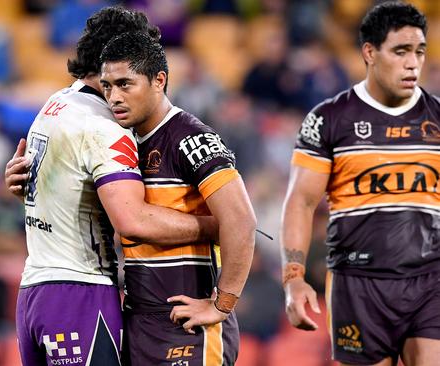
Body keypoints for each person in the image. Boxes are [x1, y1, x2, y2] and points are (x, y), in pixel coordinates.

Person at [4, 7, 220, 366]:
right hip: (79, 294)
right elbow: (132, 220)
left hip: (35, 294)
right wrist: (214, 225)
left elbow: (47, 186)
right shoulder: (103, 127)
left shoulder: (55, 103)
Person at [280, 2, 440, 365]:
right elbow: (301, 203)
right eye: (400, 51)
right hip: (358, 283)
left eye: (419, 51)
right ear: (369, 52)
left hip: (430, 279)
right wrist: (294, 277)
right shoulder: (330, 120)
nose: (413, 63)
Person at [99, 31, 256, 365]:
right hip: (140, 320)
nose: (114, 97)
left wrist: (221, 306)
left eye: (125, 84)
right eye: (108, 86)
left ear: (159, 80)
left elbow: (241, 219)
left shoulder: (191, 137)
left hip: (187, 326)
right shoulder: (124, 143)